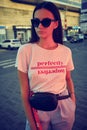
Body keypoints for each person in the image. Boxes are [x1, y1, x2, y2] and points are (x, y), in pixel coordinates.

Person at [15, 1, 76, 130]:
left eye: (46, 22)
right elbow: (24, 91)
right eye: (36, 22)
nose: (40, 26)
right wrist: (32, 123)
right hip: (38, 108)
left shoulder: (65, 51)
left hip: (63, 106)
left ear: (55, 24)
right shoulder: (25, 51)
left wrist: (72, 102)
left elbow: (68, 78)